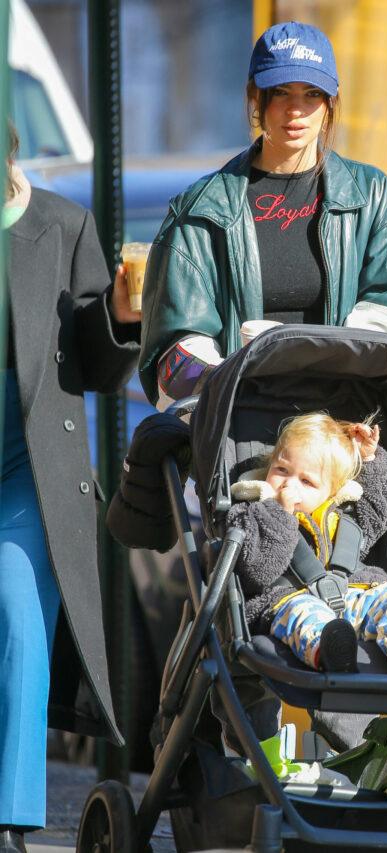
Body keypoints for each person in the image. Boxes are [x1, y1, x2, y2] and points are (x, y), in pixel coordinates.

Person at [138, 19, 387, 411]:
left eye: (312, 93)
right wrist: (241, 385)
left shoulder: (371, 198)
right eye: (280, 92)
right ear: (254, 97)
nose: (296, 110)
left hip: (340, 430)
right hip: (237, 429)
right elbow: (173, 352)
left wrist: (327, 381)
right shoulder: (200, 210)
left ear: (331, 103)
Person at [0, 125, 140, 853]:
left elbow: (97, 366)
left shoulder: (61, 224)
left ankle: (10, 816)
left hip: (27, 458)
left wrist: (120, 314)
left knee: (20, 613)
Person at [227, 412, 387, 677]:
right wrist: (279, 514)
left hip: (353, 594)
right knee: (304, 616)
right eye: (281, 470)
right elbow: (257, 570)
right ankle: (330, 652)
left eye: (307, 481)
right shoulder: (251, 511)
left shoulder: (346, 516)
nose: (289, 484)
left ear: (332, 490)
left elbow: (379, 506)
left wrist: (369, 459)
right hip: (287, 599)